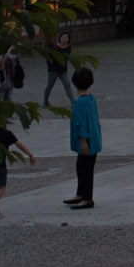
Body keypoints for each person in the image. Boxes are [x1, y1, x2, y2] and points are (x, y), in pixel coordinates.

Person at [64, 67, 101, 208]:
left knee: (86, 170)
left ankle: (87, 198)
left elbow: (80, 123)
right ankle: (80, 193)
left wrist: (83, 141)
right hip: (94, 138)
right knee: (82, 167)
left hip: (87, 140)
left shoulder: (79, 102)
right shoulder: (91, 98)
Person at [42, 27, 75, 108]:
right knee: (50, 86)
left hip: (63, 71)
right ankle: (45, 102)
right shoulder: (55, 48)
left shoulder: (69, 48)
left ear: (68, 39)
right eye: (63, 37)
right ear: (60, 38)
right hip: (53, 71)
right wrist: (50, 67)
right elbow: (48, 58)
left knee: (67, 85)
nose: (64, 39)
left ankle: (73, 102)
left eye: (66, 37)